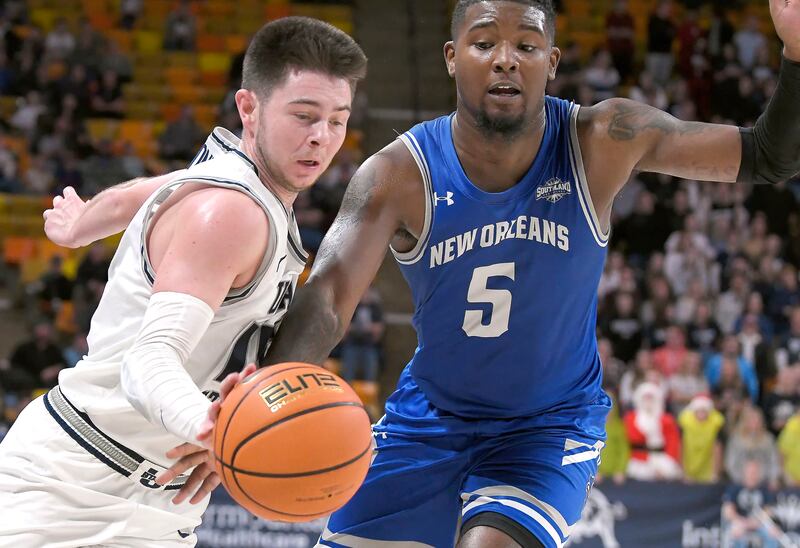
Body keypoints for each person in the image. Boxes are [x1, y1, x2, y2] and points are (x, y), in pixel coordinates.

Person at [95, 1, 800, 546]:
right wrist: (253, 411)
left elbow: (769, 156)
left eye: (526, 46)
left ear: (551, 62)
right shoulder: (399, 173)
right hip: (427, 420)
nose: (505, 60)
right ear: (451, 55)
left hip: (546, 426)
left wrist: (796, 52)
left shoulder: (602, 140)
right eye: (485, 42)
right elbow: (330, 298)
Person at [0, 17, 366, 547]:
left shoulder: (239, 183)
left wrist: (83, 224)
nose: (321, 137)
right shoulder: (231, 213)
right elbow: (148, 362)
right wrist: (217, 429)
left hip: (163, 499)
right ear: (249, 108)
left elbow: (149, 190)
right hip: (69, 486)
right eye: (304, 115)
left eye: (338, 120)